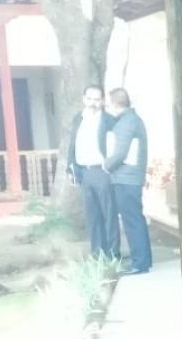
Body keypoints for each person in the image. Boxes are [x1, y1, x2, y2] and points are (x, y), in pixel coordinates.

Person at [67, 85, 121, 259]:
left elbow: (119, 146)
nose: (93, 103)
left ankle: (113, 255)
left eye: (97, 99)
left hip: (103, 171)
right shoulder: (78, 119)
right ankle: (98, 255)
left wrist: (112, 167)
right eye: (89, 99)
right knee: (92, 216)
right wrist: (70, 167)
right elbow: (72, 145)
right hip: (84, 172)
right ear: (84, 99)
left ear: (103, 101)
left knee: (109, 214)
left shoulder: (109, 120)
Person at [104, 87, 153, 275]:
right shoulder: (133, 120)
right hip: (130, 178)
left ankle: (139, 263)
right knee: (135, 219)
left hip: (126, 179)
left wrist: (105, 166)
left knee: (132, 221)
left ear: (114, 103)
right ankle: (143, 260)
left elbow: (120, 153)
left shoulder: (126, 122)